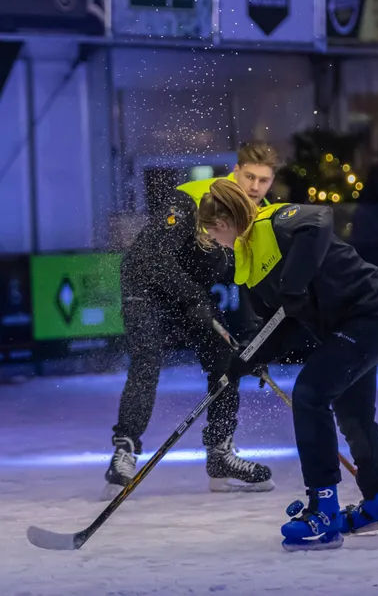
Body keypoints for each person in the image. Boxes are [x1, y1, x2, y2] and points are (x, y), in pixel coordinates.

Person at [198, 180, 378, 552]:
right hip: (342, 328)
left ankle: (323, 508)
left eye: (214, 231)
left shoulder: (274, 224)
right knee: (353, 413)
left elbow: (321, 219)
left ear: (227, 220)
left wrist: (293, 281)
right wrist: (252, 355)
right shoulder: (248, 266)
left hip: (371, 314)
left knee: (310, 394)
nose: (214, 241)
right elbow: (285, 321)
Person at [104, 141, 279, 499]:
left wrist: (252, 342)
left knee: (228, 360)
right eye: (249, 177)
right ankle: (124, 451)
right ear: (235, 172)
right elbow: (152, 257)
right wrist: (191, 298)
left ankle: (220, 455)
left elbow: (249, 279)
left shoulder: (262, 217)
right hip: (146, 287)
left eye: (264, 180)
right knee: (147, 359)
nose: (255, 187)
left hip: (191, 297)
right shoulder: (195, 196)